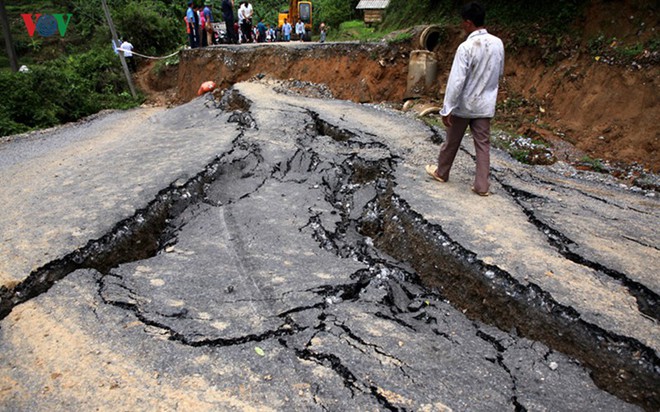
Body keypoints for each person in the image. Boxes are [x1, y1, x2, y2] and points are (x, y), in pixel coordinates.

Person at [425, 2, 504, 197]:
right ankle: (482, 186)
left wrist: (447, 108)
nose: (462, 26)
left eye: (463, 22)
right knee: (483, 146)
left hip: (464, 105)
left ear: (468, 23)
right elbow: (499, 72)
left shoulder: (466, 47)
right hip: (485, 105)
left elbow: (456, 80)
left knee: (452, 141)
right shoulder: (497, 43)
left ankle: (442, 172)